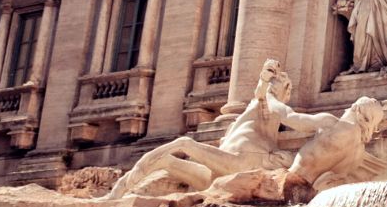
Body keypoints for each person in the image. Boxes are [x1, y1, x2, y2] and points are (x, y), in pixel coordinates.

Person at [104, 60, 327, 197]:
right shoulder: (262, 101)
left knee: (185, 143)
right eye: (274, 82)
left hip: (240, 163)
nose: (273, 85)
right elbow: (260, 91)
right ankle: (117, 192)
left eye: (279, 82)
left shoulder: (272, 104)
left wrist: (326, 124)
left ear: (286, 90)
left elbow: (288, 114)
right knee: (167, 161)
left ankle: (118, 192)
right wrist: (265, 77)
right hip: (220, 171)